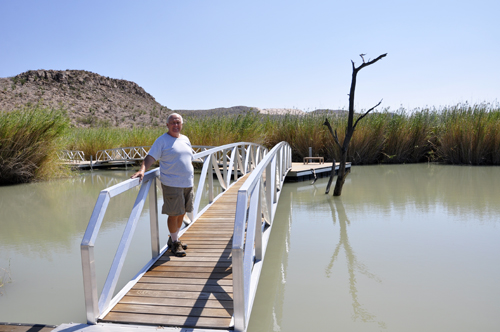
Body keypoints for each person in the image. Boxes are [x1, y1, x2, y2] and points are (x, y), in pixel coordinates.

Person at [131, 113, 194, 257]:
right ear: (167, 125)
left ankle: (174, 239)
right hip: (172, 184)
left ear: (182, 124)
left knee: (182, 212)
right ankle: (174, 243)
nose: (175, 125)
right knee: (174, 214)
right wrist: (142, 170)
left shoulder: (185, 139)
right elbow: (150, 157)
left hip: (187, 183)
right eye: (172, 122)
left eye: (178, 122)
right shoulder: (162, 141)